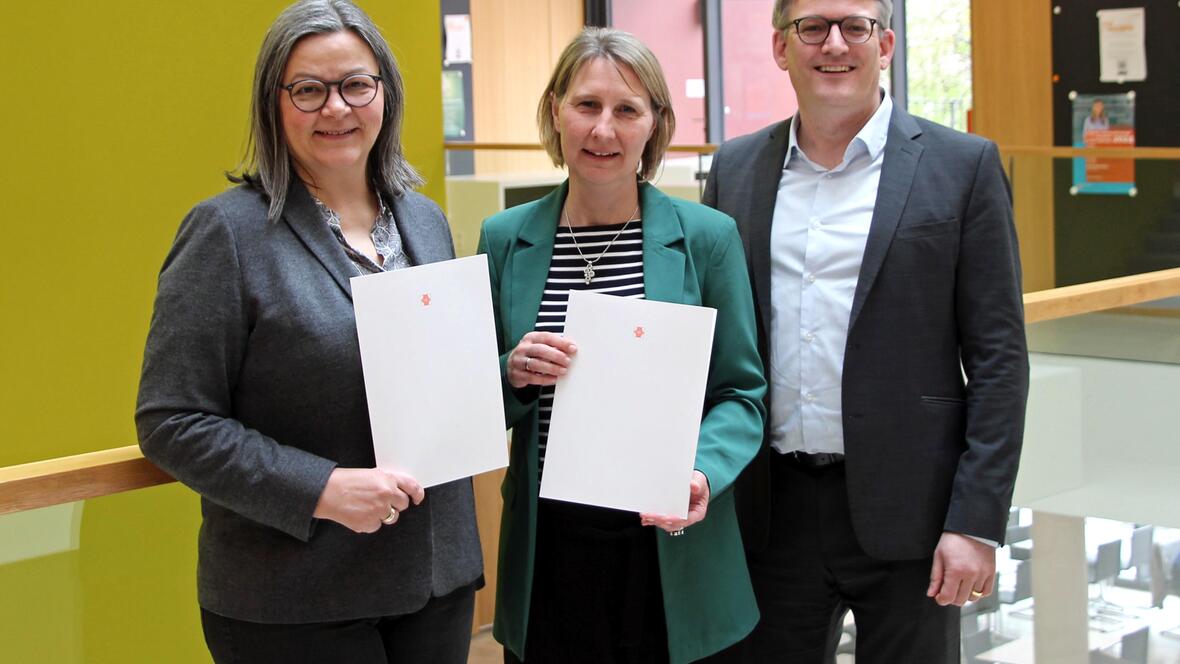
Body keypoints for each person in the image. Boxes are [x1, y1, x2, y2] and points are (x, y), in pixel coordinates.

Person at [135, 1, 481, 661]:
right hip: (296, 600)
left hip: (435, 579)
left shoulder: (426, 219)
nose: (336, 108)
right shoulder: (226, 234)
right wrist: (319, 487)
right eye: (309, 90)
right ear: (275, 102)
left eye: (356, 84)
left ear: (385, 92)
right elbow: (171, 419)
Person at [702, 0, 1029, 661]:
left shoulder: (963, 167)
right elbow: (712, 343)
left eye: (855, 26)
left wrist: (975, 521)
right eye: (812, 27)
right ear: (780, 47)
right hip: (769, 514)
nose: (834, 44)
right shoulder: (734, 170)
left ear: (886, 44)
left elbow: (998, 361)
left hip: (916, 519)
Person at [478, 27, 767, 664]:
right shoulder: (504, 239)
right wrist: (511, 373)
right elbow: (474, 402)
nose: (603, 130)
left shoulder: (708, 238)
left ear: (654, 124)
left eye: (627, 110)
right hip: (549, 546)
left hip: (670, 541)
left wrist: (701, 474)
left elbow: (741, 393)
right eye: (586, 105)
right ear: (556, 109)